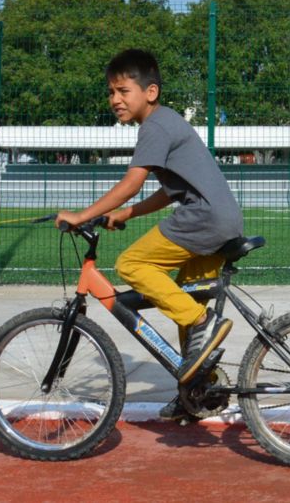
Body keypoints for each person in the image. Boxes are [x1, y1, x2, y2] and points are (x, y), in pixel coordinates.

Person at [54, 49, 244, 419]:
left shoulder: (155, 126)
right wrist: (126, 213)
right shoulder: (166, 122)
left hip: (203, 219)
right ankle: (198, 393)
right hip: (219, 219)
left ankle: (204, 324)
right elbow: (168, 192)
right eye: (111, 92)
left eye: (123, 91)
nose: (115, 99)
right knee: (185, 302)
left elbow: (132, 183)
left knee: (132, 264)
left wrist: (82, 216)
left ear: (150, 92)